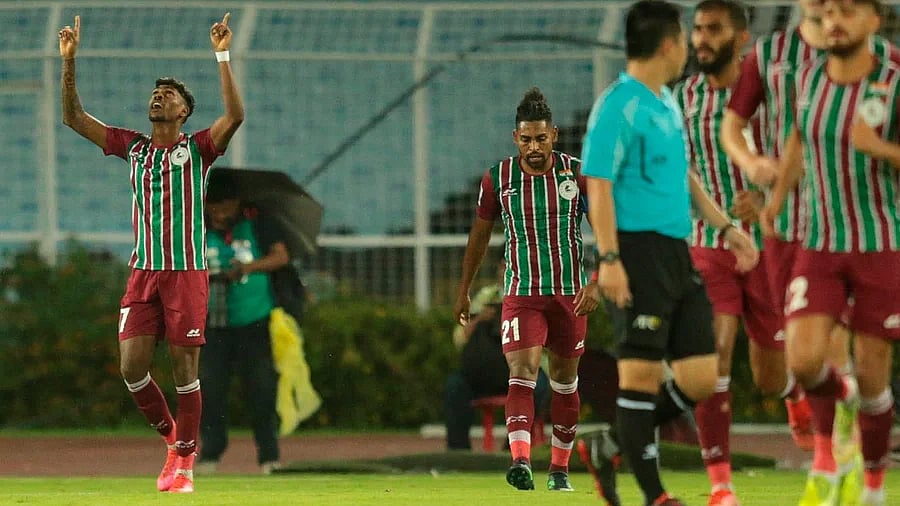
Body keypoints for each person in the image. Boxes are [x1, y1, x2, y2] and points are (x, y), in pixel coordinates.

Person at [720, 0, 900, 501]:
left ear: (873, 18)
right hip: (809, 237)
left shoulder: (893, 73)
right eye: (826, 7)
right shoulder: (794, 68)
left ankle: (858, 476)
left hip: (877, 238)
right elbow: (778, 135)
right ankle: (837, 425)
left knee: (867, 368)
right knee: (797, 361)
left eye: (846, 8)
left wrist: (879, 149)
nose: (832, 15)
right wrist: (769, 191)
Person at [581, 2, 759, 505]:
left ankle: (610, 444)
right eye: (683, 37)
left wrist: (726, 228)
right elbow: (598, 186)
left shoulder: (666, 102)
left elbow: (682, 178)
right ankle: (656, 496)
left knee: (703, 377)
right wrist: (610, 261)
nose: (688, 47)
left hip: (678, 254)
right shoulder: (618, 106)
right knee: (638, 379)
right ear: (666, 45)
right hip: (635, 254)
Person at [58, 13, 243, 493]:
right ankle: (176, 442)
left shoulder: (198, 149)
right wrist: (70, 60)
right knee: (131, 368)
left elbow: (236, 117)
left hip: (185, 273)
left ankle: (184, 464)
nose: (158, 96)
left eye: (170, 94)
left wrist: (222, 55)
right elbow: (73, 118)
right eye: (156, 92)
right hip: (143, 274)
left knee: (185, 372)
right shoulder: (133, 148)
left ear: (184, 112)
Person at [673, 2, 809, 504]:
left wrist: (768, 197)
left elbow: (802, 162)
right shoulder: (683, 98)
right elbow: (676, 168)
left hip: (768, 249)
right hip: (708, 246)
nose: (702, 39)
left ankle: (793, 389)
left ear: (742, 38)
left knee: (771, 377)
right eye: (698, 30)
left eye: (714, 30)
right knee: (716, 354)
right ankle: (721, 484)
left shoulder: (770, 100)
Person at [453, 87, 602, 492]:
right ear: (514, 138)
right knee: (521, 372)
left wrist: (597, 280)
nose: (533, 147)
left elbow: (608, 228)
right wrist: (464, 288)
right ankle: (520, 461)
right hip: (522, 293)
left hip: (571, 294)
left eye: (540, 138)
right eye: (525, 139)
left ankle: (559, 470)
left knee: (564, 381)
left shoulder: (577, 174)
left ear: (553, 135)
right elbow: (479, 237)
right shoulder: (498, 179)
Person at [197, 177, 290, 475]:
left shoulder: (259, 222)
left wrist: (247, 268)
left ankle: (269, 456)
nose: (220, 214)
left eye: (225, 207)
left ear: (237, 203)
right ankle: (211, 451)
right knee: (209, 387)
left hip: (254, 320)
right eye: (214, 207)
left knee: (262, 389)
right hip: (212, 323)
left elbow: (281, 256)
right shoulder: (196, 226)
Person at [445, 258, 550, 452]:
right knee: (455, 386)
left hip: (524, 369)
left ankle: (514, 450)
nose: (506, 271)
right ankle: (458, 453)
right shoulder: (486, 297)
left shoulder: (538, 295)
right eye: (503, 265)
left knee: (538, 387)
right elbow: (459, 338)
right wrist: (480, 320)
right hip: (485, 368)